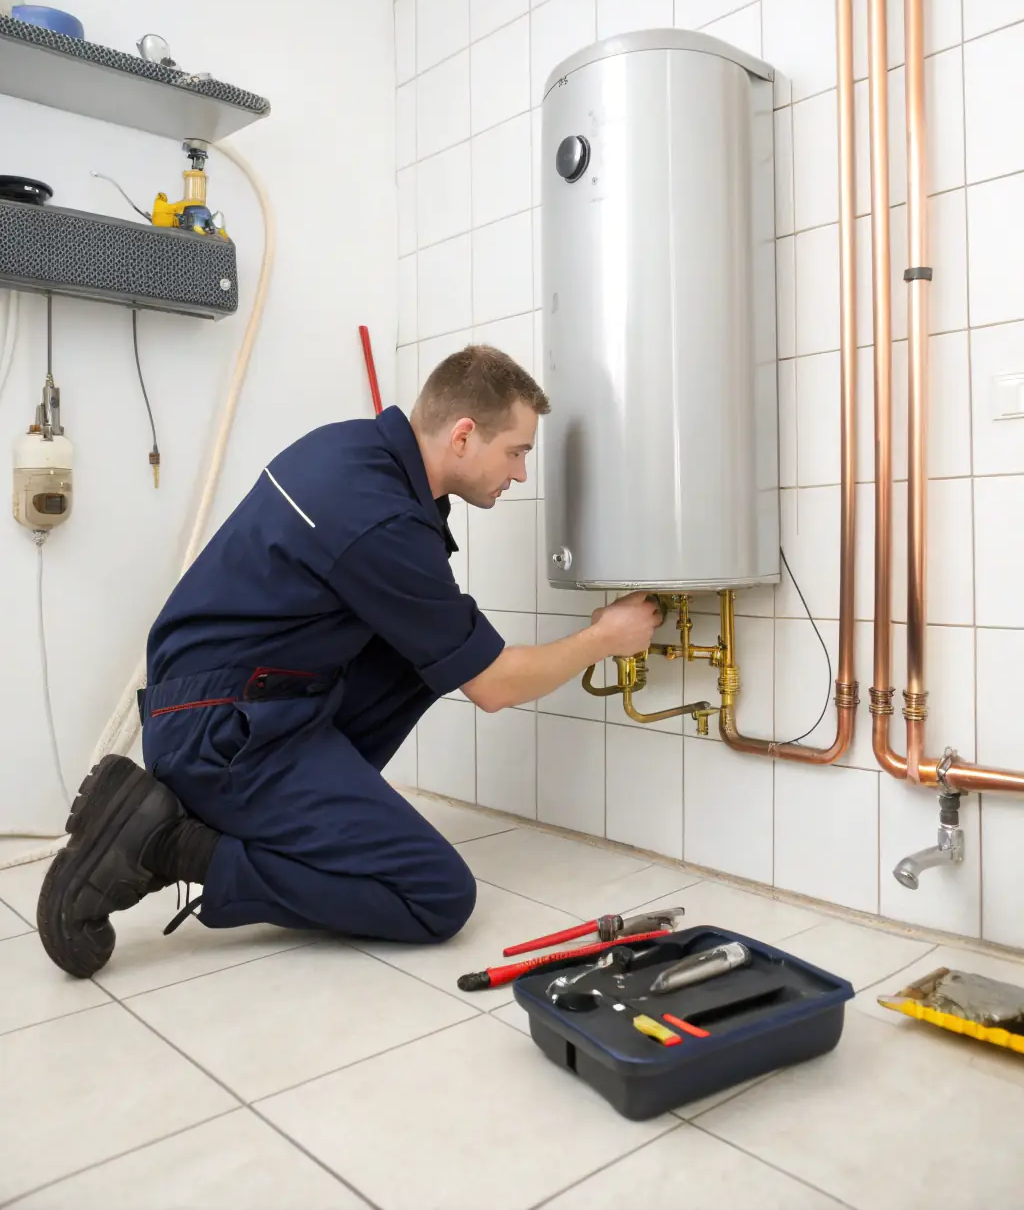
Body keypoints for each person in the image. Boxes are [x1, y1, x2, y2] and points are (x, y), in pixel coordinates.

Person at [37, 345, 663, 979]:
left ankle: (222, 814)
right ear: (463, 435)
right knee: (436, 895)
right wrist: (603, 638)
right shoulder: (381, 517)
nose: (521, 473)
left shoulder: (354, 453)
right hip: (222, 729)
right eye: (517, 452)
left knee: (424, 649)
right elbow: (494, 685)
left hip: (225, 703)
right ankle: (173, 845)